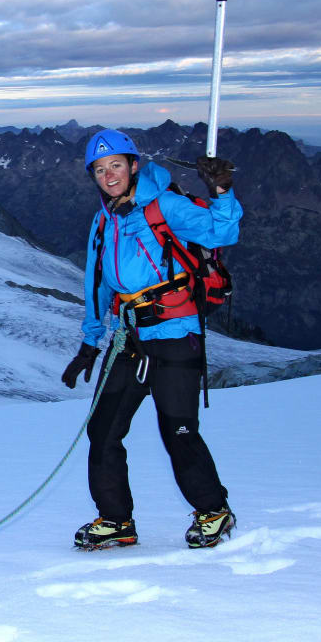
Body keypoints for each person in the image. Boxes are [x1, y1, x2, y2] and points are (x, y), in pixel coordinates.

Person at [62, 128, 243, 550]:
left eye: (116, 166)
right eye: (100, 170)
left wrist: (221, 189)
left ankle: (214, 510)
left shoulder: (165, 205)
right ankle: (115, 520)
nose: (109, 176)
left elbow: (221, 232)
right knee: (103, 429)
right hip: (129, 337)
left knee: (177, 429)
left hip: (175, 333)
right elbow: (98, 282)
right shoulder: (103, 219)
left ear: (134, 165)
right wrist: (91, 342)